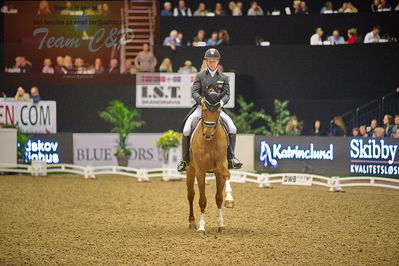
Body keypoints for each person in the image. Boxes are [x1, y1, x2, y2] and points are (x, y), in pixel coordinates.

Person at [177, 48, 242, 172]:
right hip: (202, 108)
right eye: (210, 61)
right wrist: (201, 100)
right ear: (206, 62)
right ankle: (184, 160)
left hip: (217, 109)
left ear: (218, 61)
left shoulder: (223, 77)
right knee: (186, 130)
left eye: (214, 61)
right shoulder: (200, 76)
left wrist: (222, 103)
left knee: (233, 128)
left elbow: (227, 94)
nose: (212, 63)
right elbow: (194, 91)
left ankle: (231, 158)